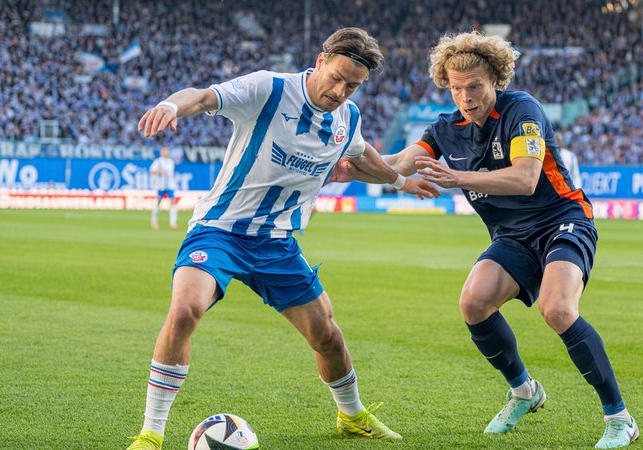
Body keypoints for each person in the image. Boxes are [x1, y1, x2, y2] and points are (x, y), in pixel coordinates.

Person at [127, 27, 438, 450]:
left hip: (277, 243)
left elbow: (361, 155)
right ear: (322, 58)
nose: (341, 90)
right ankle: (151, 433)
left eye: (353, 85)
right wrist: (169, 105)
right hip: (221, 230)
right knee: (185, 309)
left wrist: (400, 181)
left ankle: (352, 415)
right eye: (338, 77)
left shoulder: (348, 117)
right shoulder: (269, 89)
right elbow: (201, 96)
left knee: (328, 336)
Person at [333, 31, 638, 449]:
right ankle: (524, 391)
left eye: (474, 86)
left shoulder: (522, 111)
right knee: (473, 303)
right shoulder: (446, 130)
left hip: (561, 220)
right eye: (456, 88)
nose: (465, 96)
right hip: (511, 236)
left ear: (495, 78)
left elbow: (526, 178)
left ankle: (620, 418)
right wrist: (352, 167)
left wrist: (458, 178)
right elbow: (397, 163)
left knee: (558, 309)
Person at [149, 146, 179, 230]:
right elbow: (151, 171)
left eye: (167, 151)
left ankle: (173, 223)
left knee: (173, 202)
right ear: (161, 152)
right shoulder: (158, 161)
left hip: (170, 185)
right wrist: (160, 172)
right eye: (164, 151)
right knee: (158, 202)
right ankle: (154, 221)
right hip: (160, 186)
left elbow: (171, 173)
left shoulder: (171, 161)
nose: (166, 152)